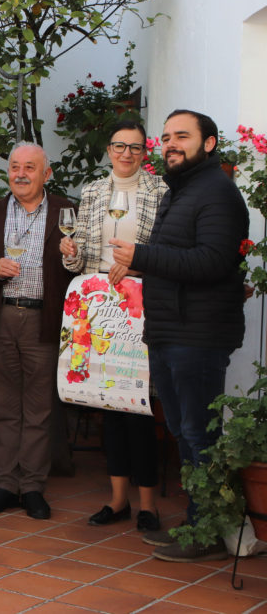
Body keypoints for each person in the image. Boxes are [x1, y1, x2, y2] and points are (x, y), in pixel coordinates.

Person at [111, 109, 249, 562]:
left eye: (182, 136)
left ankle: (207, 531)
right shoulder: (183, 191)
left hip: (199, 334)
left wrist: (144, 256)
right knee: (184, 432)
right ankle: (197, 522)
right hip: (172, 331)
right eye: (166, 137)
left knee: (197, 434)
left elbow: (212, 261)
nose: (170, 144)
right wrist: (141, 263)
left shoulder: (218, 193)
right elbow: (178, 257)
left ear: (208, 143)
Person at [59, 119, 166, 532]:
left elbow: (166, 250)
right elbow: (81, 256)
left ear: (145, 153)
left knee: (138, 406)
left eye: (135, 148)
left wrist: (136, 263)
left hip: (139, 305)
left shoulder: (160, 193)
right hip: (100, 307)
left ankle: (149, 505)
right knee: (108, 405)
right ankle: (118, 498)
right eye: (120, 146)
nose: (126, 154)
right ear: (108, 149)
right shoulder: (92, 192)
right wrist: (69, 251)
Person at [0, 142, 75, 520]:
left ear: (46, 174)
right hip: (0, 317)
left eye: (30, 167)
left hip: (44, 320)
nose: (20, 173)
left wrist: (73, 254)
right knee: (2, 406)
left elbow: (79, 263)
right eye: (15, 166)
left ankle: (32, 487)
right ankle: (5, 485)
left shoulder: (69, 212)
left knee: (39, 408)